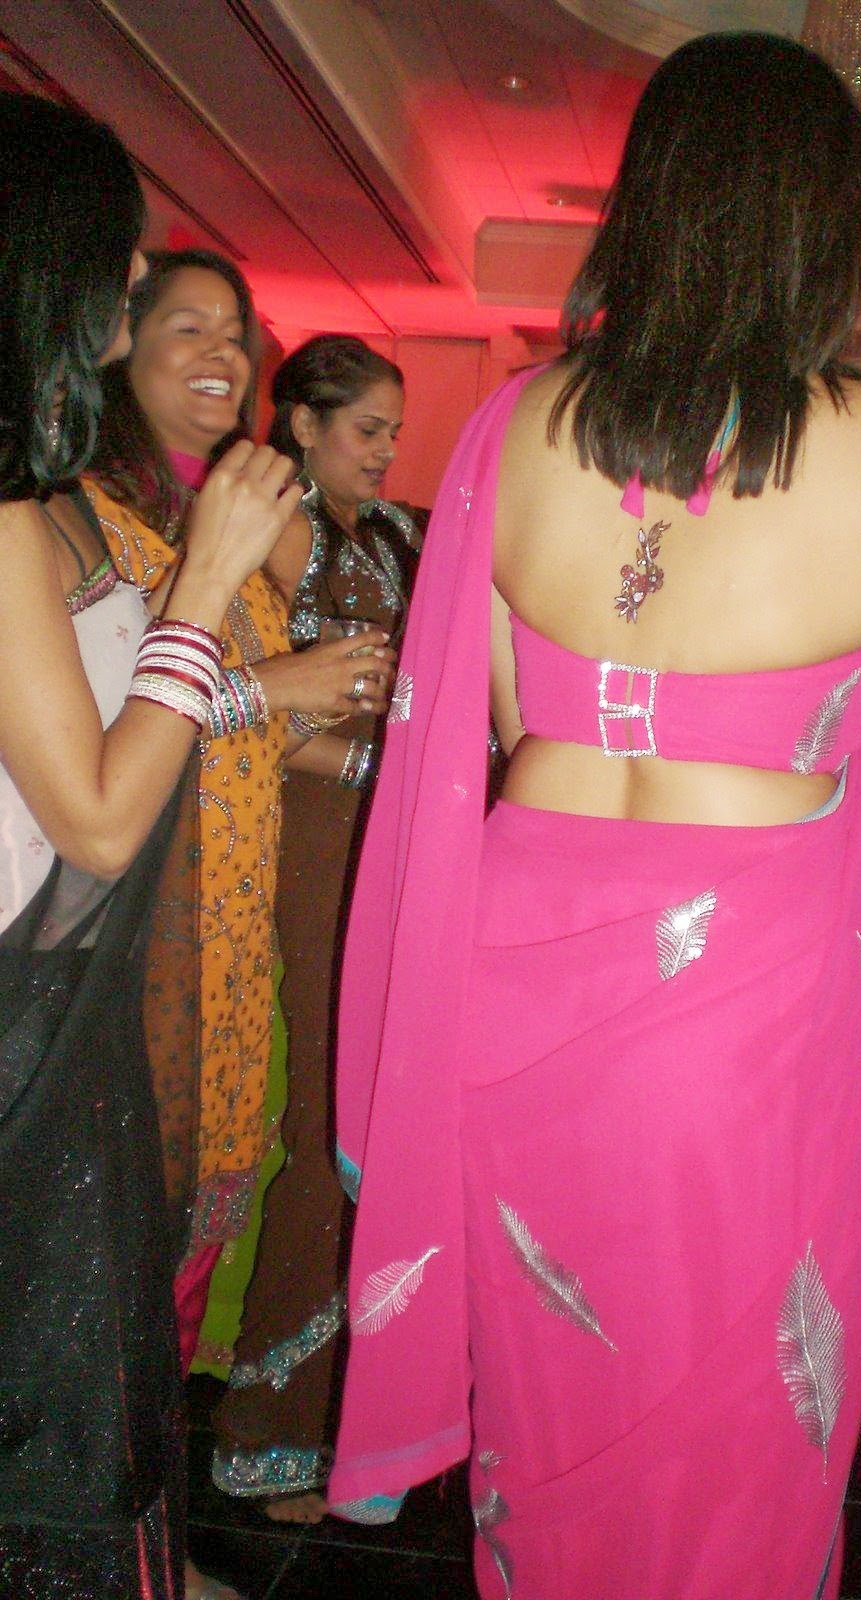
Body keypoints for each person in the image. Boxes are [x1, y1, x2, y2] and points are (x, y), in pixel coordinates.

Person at [326, 32, 861, 1598]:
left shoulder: (521, 424)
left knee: (549, 1393)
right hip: (744, 1001)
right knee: (738, 1408)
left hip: (519, 960)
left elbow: (516, 721)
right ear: (831, 231)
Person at [0, 94, 300, 1600]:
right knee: (51, 1403)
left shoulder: (50, 499)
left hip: (74, 1003)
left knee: (98, 1371)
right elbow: (101, 815)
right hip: (20, 1019)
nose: (130, 294)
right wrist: (208, 581)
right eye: (119, 269)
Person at [85, 252, 394, 1600]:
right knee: (107, 1274)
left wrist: (332, 721)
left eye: (237, 331)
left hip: (226, 922)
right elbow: (100, 734)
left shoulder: (217, 515)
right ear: (117, 344)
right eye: (187, 326)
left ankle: (140, 1548)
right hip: (128, 933)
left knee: (182, 1255)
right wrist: (280, 682)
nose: (223, 352)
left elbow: (261, 723)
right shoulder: (82, 520)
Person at [212, 335, 420, 1518]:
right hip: (313, 840)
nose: (387, 450)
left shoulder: (389, 536)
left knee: (388, 1123)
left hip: (391, 840)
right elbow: (240, 710)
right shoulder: (270, 529)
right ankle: (268, 1425)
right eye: (366, 428)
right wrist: (388, 763)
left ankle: (354, 1416)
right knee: (332, 1118)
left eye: (395, 430)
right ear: (300, 423)